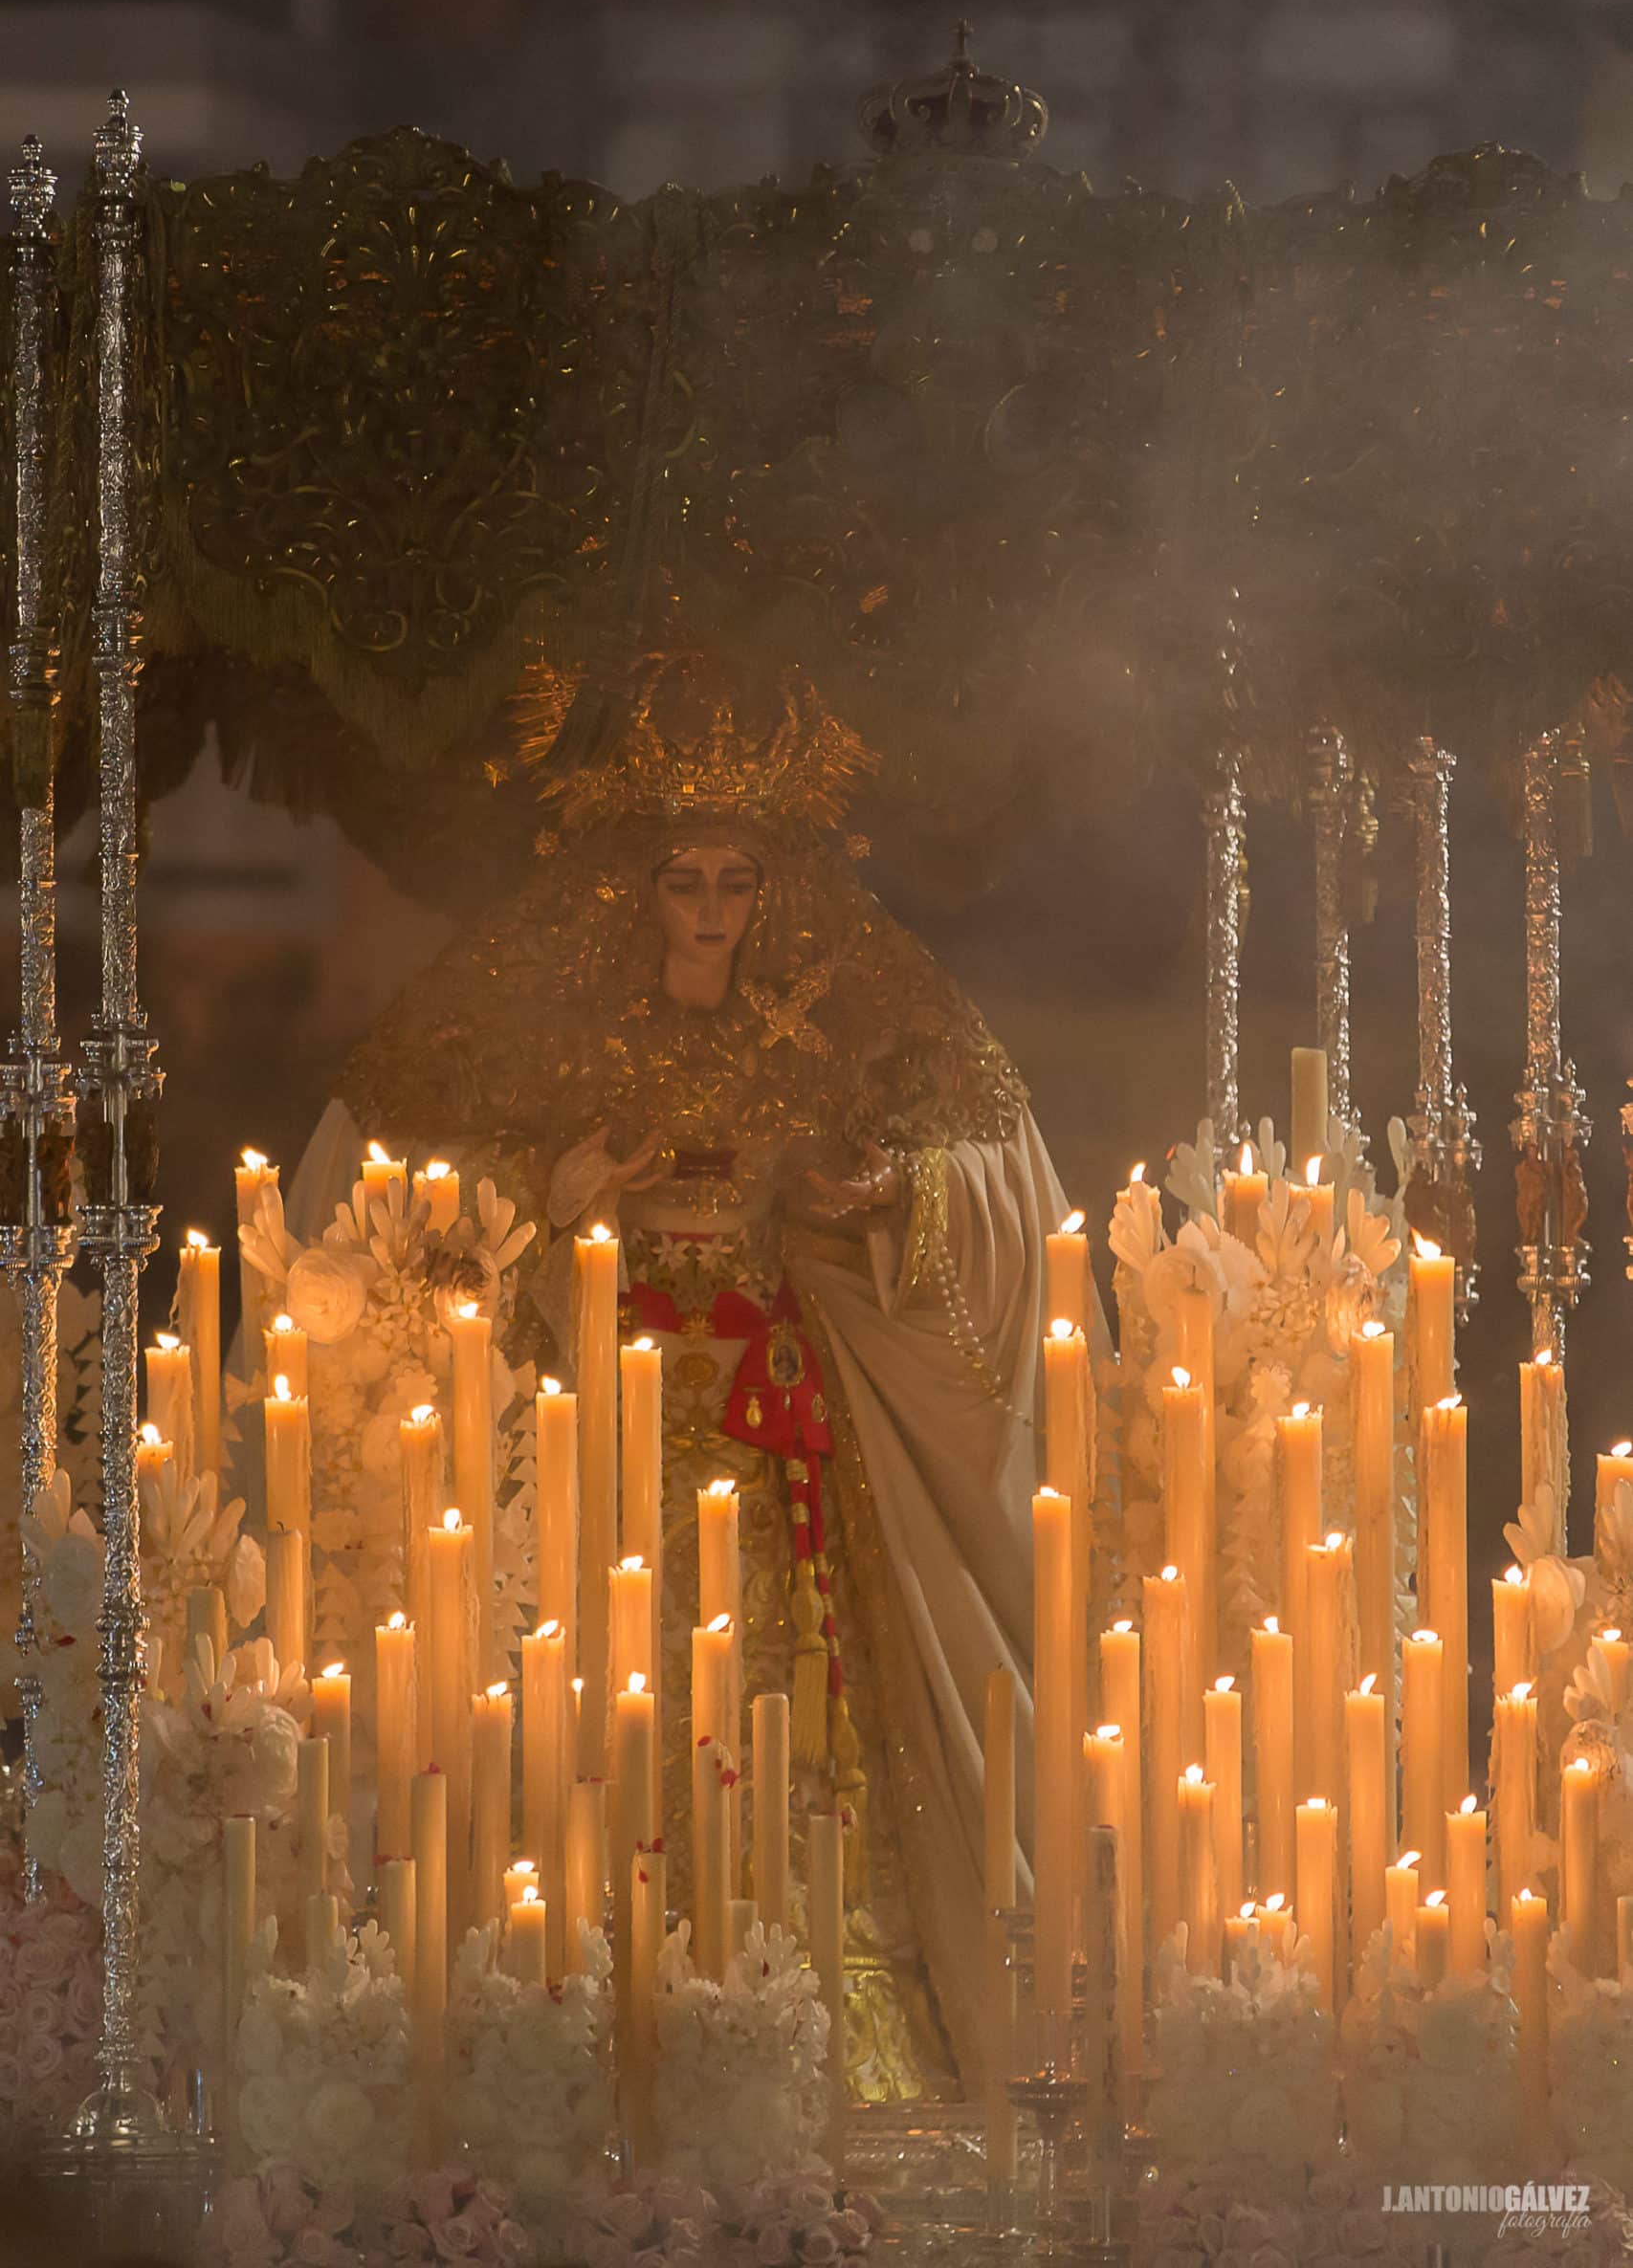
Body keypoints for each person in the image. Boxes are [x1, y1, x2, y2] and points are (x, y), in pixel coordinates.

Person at [289, 658, 1093, 2099]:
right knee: (610, 1703)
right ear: (633, 890)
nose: (714, 910)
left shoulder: (830, 1029)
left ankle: (818, 2016)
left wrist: (887, 1191)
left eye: (735, 881)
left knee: (794, 1715)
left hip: (780, 1445)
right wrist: (552, 1189)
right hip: (612, 1435)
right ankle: (596, 1997)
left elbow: (1001, 1184)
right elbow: (403, 1187)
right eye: (685, 880)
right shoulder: (555, 1039)